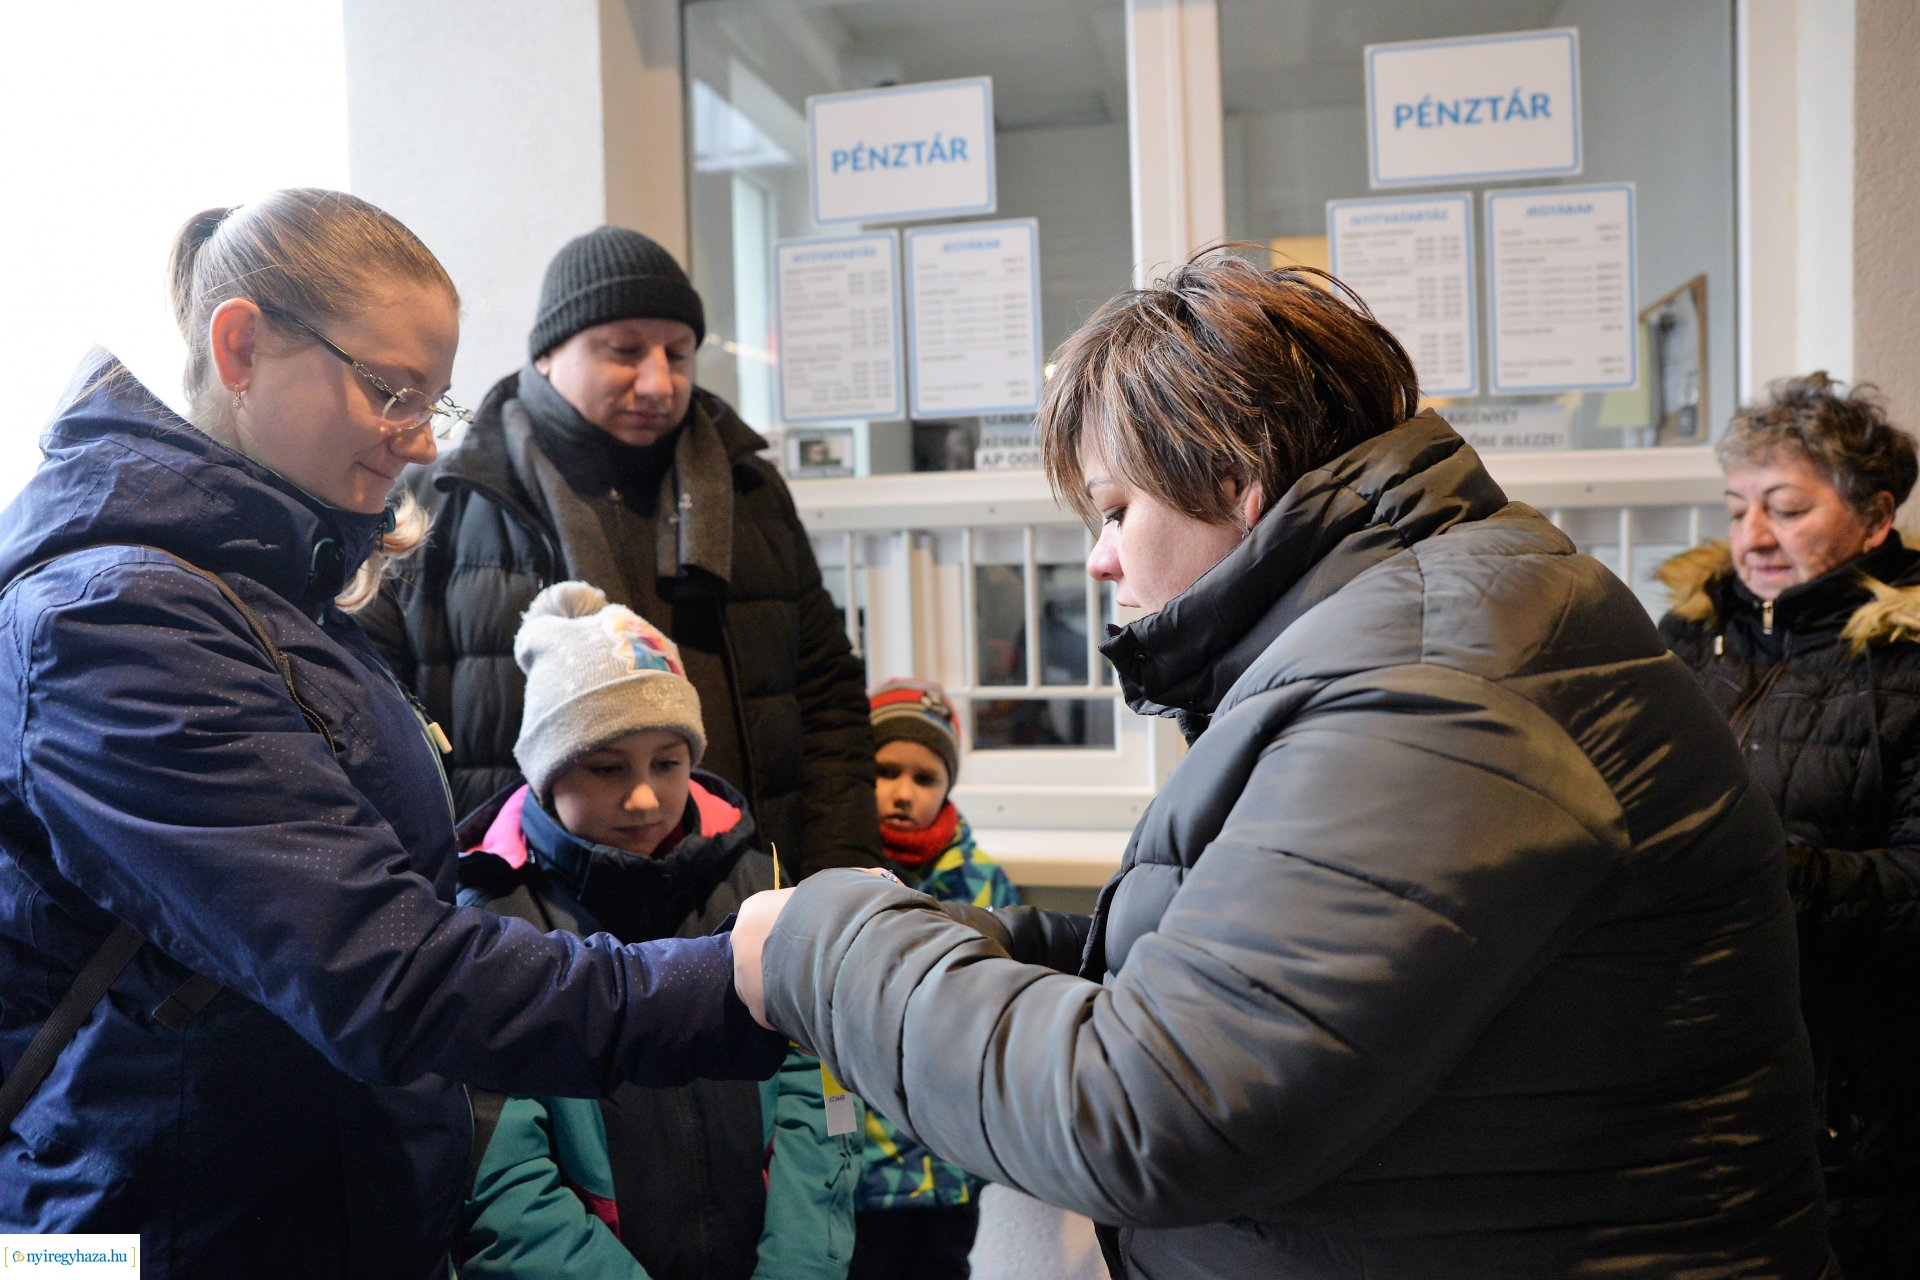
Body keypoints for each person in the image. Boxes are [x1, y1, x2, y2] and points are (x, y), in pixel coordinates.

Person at [729, 252, 1835, 1278]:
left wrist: (826, 946)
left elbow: (1153, 1107)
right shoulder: (1415, 630)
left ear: (1236, 476)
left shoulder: (1436, 679)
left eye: (1117, 508)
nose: (1101, 555)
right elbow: (1247, 977)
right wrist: (987, 944)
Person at [0, 191, 785, 1278]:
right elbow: (383, 969)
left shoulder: (279, 594)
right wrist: (737, 975)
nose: (419, 437)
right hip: (171, 1220)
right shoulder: (114, 620)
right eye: (390, 392)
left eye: (434, 401)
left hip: (313, 1200)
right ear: (241, 345)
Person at [363, 226, 877, 878]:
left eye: (679, 354)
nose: (659, 382)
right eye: (626, 352)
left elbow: (826, 694)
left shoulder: (748, 488)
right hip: (524, 920)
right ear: (549, 353)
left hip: (752, 895)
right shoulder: (443, 501)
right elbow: (376, 725)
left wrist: (842, 873)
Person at [458, 580, 861, 1279]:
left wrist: (799, 1265)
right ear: (548, 773)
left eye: (668, 763)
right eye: (607, 768)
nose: (644, 796)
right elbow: (500, 1173)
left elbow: (820, 1095)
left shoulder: (759, 884)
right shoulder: (494, 918)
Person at [1657, 372, 1920, 1278]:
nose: (1753, 538)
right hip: (1696, 1065)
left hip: (1859, 1088)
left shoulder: (1910, 663)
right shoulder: (1689, 639)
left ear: (1875, 518)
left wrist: (1751, 871)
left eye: (1786, 508)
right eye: (1736, 509)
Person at [853, 678, 1020, 1280]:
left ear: (948, 784)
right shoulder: (840, 872)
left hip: (951, 1161)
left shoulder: (981, 883)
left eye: (924, 779)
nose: (902, 793)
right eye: (886, 771)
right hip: (861, 1160)